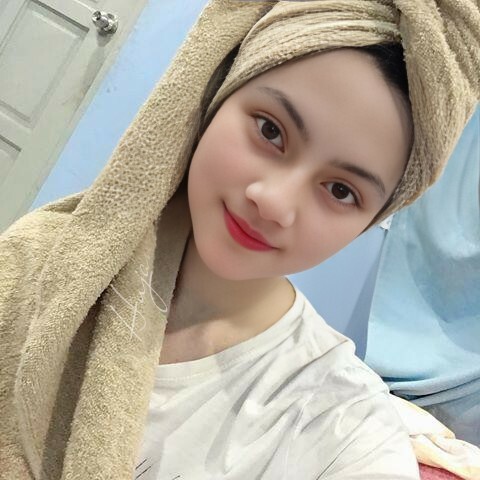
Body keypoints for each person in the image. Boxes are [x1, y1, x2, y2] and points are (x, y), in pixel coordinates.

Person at [0, 1, 478, 479]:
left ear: (373, 219)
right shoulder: (38, 260)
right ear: (218, 93)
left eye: (340, 191)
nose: (274, 202)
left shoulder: (344, 428)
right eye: (270, 131)